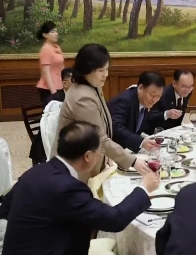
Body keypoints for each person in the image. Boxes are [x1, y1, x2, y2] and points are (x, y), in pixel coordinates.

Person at [0, 121, 160, 255]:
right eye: (100, 150)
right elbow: (114, 219)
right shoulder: (67, 188)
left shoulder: (35, 171)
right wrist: (144, 188)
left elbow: (5, 208)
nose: (101, 155)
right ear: (88, 156)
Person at [53, 44, 150, 182]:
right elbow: (99, 138)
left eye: (107, 69)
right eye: (101, 70)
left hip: (89, 157)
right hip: (74, 167)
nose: (106, 74)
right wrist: (133, 161)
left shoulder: (93, 86)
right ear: (86, 70)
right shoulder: (82, 97)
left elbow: (103, 127)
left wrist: (107, 156)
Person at [107, 71, 165, 153]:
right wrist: (141, 142)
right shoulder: (124, 101)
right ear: (140, 88)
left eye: (159, 96)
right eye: (152, 95)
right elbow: (116, 128)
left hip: (126, 148)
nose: (155, 100)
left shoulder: (144, 100)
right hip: (110, 150)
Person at [35, 21, 65, 107]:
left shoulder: (56, 47)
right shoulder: (45, 49)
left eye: (56, 31)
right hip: (49, 89)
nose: (56, 34)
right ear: (45, 35)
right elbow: (46, 72)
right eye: (52, 32)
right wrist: (54, 93)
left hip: (60, 86)